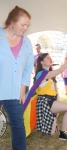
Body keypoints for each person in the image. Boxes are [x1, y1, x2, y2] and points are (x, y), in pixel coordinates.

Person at [0, 6, 34, 150]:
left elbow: (28, 67)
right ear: (12, 22)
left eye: (27, 25)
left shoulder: (26, 42)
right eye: (23, 24)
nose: (25, 28)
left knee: (18, 125)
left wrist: (23, 87)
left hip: (14, 92)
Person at [35, 52, 67, 140]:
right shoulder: (41, 74)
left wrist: (57, 109)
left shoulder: (50, 75)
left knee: (51, 133)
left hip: (51, 101)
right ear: (41, 62)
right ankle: (63, 133)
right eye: (47, 58)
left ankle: (53, 117)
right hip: (45, 102)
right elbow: (60, 70)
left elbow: (55, 92)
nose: (50, 58)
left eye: (50, 57)